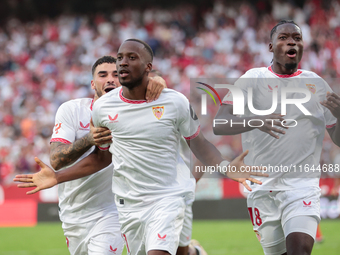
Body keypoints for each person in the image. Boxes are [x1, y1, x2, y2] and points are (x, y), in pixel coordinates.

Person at [15, 39, 266, 255]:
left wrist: (224, 167)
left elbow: (197, 143)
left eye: (126, 62)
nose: (117, 70)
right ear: (92, 83)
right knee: (179, 250)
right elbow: (98, 159)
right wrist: (59, 174)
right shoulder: (95, 110)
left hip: (155, 199)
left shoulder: (171, 100)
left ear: (147, 68)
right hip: (123, 204)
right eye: (112, 66)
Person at [214, 20, 340, 255]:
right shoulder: (252, 78)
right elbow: (219, 123)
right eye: (283, 37)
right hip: (262, 189)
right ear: (270, 47)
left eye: (297, 38)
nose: (292, 41)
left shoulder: (317, 85)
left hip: (302, 186)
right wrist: (257, 121)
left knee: (299, 251)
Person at [47, 55, 166, 255]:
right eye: (103, 75)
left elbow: (158, 90)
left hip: (113, 211)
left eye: (116, 74)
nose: (110, 79)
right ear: (93, 83)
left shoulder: (134, 112)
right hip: (72, 213)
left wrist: (158, 81)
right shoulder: (72, 110)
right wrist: (89, 140)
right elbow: (56, 160)